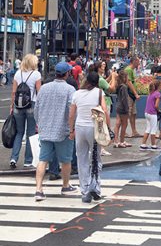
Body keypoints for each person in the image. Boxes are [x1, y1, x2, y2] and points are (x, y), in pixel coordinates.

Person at [33, 61, 77, 201]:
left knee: (43, 160)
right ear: (67, 74)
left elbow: (37, 109)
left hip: (45, 130)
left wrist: (40, 124)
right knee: (65, 160)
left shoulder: (44, 88)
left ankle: (39, 189)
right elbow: (72, 112)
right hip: (62, 130)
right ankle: (65, 186)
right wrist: (72, 128)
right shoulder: (70, 90)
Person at [69, 68, 109, 203]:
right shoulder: (99, 93)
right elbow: (104, 110)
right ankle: (96, 187)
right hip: (94, 128)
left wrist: (71, 130)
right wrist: (107, 127)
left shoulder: (77, 94)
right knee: (96, 158)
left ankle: (85, 190)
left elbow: (71, 114)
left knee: (82, 159)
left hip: (80, 127)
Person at [9, 53, 42, 169]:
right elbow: (39, 92)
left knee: (19, 132)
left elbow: (14, 92)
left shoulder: (18, 74)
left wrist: (11, 106)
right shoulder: (36, 74)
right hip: (31, 104)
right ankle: (27, 160)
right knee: (31, 133)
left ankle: (14, 158)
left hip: (18, 105)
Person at [113, 71, 132, 148]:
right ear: (124, 78)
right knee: (124, 124)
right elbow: (125, 99)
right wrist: (127, 109)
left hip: (118, 106)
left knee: (117, 123)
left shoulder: (119, 86)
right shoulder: (124, 87)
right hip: (123, 108)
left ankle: (116, 140)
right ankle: (121, 140)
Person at [123, 57, 142, 137]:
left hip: (131, 95)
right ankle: (123, 132)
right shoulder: (128, 70)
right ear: (134, 61)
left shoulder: (131, 70)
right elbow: (128, 82)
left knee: (133, 113)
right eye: (138, 62)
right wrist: (135, 93)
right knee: (127, 113)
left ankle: (134, 131)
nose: (139, 63)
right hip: (129, 94)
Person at [141, 82, 161, 150]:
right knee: (153, 129)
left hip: (147, 112)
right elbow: (156, 105)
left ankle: (143, 144)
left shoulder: (151, 93)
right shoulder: (158, 94)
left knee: (148, 128)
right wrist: (159, 110)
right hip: (153, 113)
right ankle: (153, 145)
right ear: (158, 87)